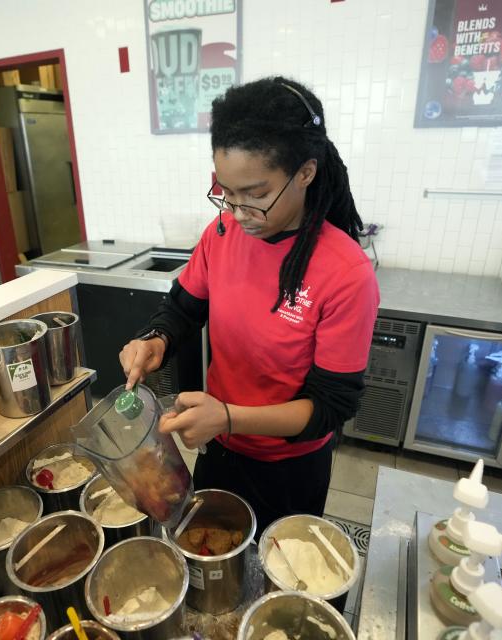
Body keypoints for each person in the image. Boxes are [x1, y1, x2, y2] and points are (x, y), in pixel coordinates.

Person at [119, 76, 379, 535]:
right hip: (219, 449)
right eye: (228, 193)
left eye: (256, 195)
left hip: (288, 469)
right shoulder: (220, 234)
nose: (238, 213)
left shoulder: (345, 271)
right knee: (209, 555)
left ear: (305, 172)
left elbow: (328, 407)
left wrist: (231, 416)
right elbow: (183, 309)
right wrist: (155, 339)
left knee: (279, 579)